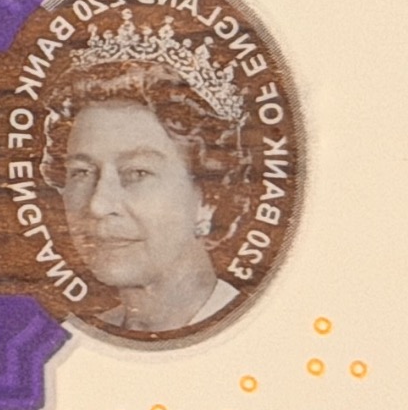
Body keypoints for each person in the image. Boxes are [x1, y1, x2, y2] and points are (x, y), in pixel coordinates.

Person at [40, 24, 251, 336]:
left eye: (137, 173)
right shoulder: (87, 339)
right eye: (82, 172)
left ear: (209, 197)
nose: (98, 205)